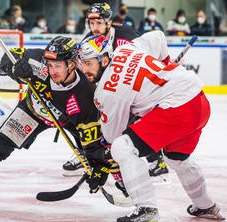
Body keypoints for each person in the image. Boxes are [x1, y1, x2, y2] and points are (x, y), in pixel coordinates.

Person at [0, 36, 127, 209]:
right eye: (49, 64)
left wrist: (98, 166)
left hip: (68, 120)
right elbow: (6, 61)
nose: (52, 70)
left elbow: (91, 138)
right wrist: (15, 69)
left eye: (58, 66)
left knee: (101, 149)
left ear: (72, 65)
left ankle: (123, 182)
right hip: (32, 111)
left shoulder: (85, 94)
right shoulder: (37, 61)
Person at [77, 31, 225, 221]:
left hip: (178, 110)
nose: (84, 69)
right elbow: (158, 36)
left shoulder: (107, 91)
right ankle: (206, 206)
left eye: (89, 63)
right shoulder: (126, 49)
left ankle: (147, 209)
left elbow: (113, 137)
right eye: (82, 63)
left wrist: (102, 159)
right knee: (177, 159)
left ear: (105, 59)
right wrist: (166, 61)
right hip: (199, 101)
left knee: (123, 147)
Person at [63, 3, 169, 181]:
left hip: (131, 85)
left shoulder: (126, 35)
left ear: (109, 22)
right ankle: (86, 152)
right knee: (81, 113)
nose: (94, 28)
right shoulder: (89, 39)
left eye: (98, 23)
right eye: (91, 23)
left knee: (133, 117)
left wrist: (165, 66)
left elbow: (147, 56)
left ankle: (156, 161)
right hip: (105, 86)